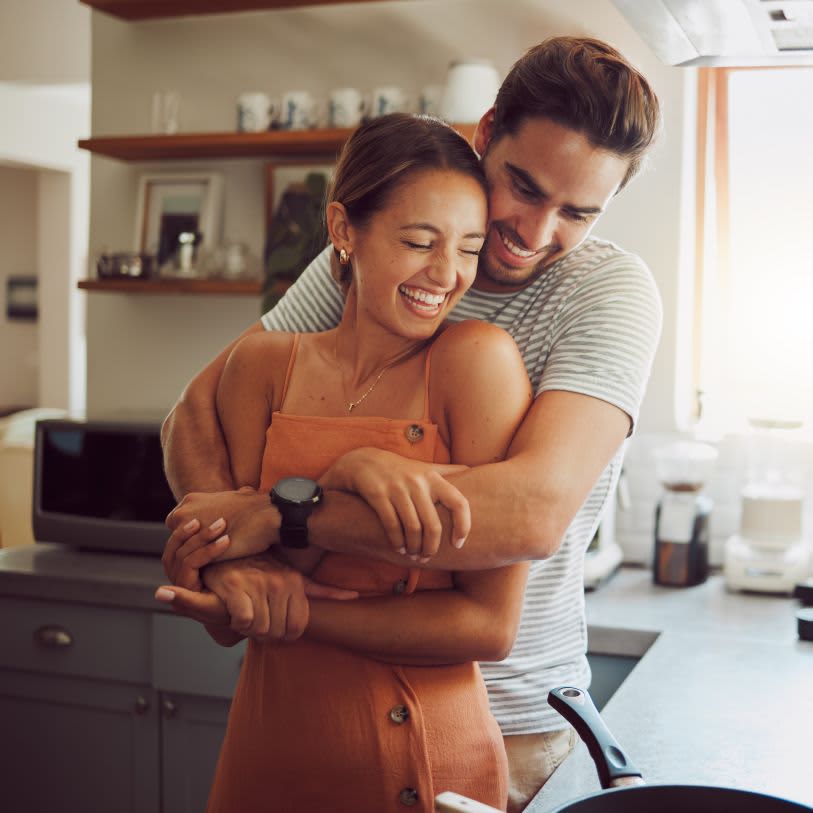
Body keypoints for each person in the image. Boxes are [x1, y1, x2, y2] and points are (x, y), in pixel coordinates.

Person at [159, 36, 663, 813]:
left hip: (515, 722)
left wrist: (284, 513)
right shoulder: (393, 251)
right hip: (320, 697)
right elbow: (196, 413)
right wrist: (231, 566)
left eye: (576, 213)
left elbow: (528, 511)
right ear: (486, 132)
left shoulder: (606, 294)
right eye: (523, 188)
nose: (533, 230)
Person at [159, 113, 533, 812]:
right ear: (343, 230)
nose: (445, 273)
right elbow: (230, 616)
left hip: (425, 757)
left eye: (468, 248)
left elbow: (488, 626)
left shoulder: (475, 362)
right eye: (419, 240)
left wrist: (296, 612)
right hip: (270, 749)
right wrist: (232, 565)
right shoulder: (262, 366)